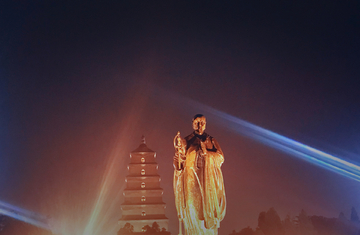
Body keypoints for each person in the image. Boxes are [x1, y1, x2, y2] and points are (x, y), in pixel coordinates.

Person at [173, 114, 226, 235]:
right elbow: (180, 164)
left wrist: (206, 153)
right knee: (193, 215)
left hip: (208, 185)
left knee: (208, 217)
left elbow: (221, 158)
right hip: (191, 184)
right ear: (192, 124)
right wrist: (178, 162)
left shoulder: (211, 141)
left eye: (202, 123)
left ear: (206, 124)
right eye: (197, 123)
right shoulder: (186, 141)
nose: (200, 126)